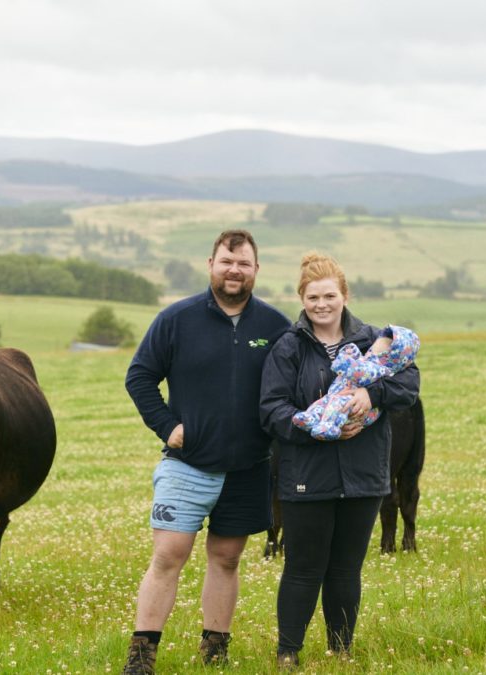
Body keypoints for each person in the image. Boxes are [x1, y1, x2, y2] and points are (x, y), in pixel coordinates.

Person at [121, 229, 291, 674]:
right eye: (226, 262)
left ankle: (214, 650)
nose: (234, 270)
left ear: (256, 270)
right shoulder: (177, 319)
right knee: (168, 557)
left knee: (227, 558)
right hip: (188, 464)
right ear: (211, 265)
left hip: (250, 467)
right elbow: (139, 377)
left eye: (243, 263)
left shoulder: (275, 327)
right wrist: (167, 426)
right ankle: (141, 658)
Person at [259, 252, 421, 669]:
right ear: (302, 298)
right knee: (302, 568)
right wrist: (312, 428)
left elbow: (408, 385)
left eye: (329, 295)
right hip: (305, 476)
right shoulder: (289, 348)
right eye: (313, 297)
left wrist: (373, 394)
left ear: (344, 295)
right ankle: (287, 653)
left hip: (363, 476)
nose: (322, 304)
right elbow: (271, 408)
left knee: (346, 569)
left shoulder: (374, 341)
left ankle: (340, 650)